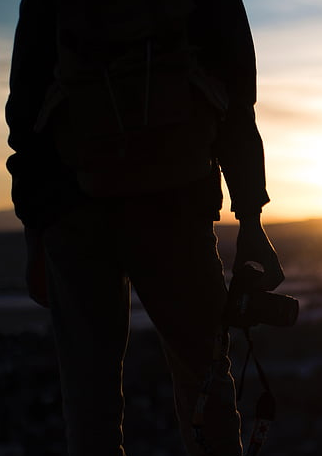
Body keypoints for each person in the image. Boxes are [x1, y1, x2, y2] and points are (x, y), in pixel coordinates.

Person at [5, 0, 284, 455]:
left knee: (88, 401)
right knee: (206, 381)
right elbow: (237, 99)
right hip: (177, 203)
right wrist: (250, 216)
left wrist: (36, 228)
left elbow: (25, 107)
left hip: (72, 207)